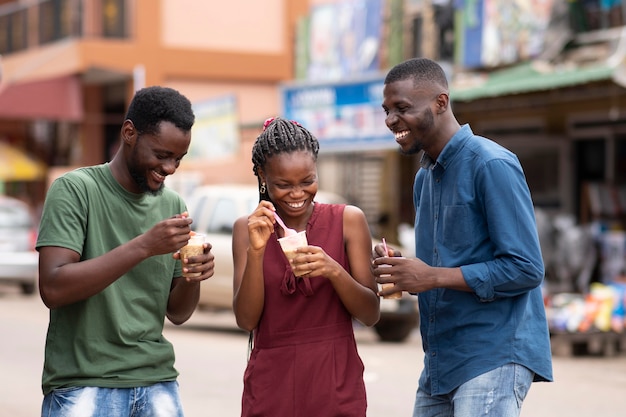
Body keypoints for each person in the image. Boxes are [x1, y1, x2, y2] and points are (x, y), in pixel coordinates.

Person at [374, 58, 553, 417]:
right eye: (387, 110)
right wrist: (404, 269)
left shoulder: (491, 163)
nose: (391, 120)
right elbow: (442, 263)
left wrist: (431, 276)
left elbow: (526, 268)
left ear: (441, 103)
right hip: (441, 360)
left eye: (402, 108)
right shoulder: (424, 178)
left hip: (492, 353)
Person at [36, 86, 215, 417]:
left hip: (157, 381)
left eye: (178, 158)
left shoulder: (173, 205)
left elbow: (177, 312)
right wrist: (145, 246)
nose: (171, 168)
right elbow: (53, 287)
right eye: (162, 155)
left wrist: (193, 275)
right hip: (84, 383)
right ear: (129, 133)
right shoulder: (75, 190)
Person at [232, 117, 380, 416]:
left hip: (334, 380)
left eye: (307, 181)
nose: (297, 194)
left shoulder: (348, 220)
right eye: (283, 185)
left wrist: (333, 269)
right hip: (271, 384)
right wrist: (258, 251)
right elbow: (247, 321)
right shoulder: (246, 229)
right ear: (262, 175)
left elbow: (370, 313)